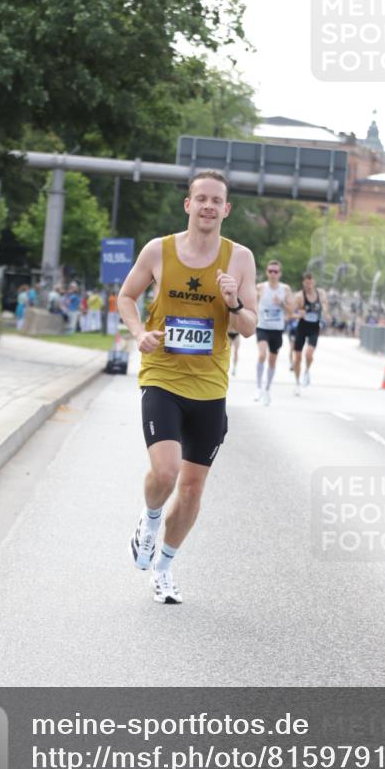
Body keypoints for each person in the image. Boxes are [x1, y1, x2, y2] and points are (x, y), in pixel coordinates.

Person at [118, 169, 257, 604]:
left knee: (193, 488)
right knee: (166, 472)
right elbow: (126, 297)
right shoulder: (158, 250)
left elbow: (250, 327)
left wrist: (234, 301)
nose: (209, 206)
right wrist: (138, 331)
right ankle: (150, 517)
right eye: (202, 199)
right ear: (188, 204)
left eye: (217, 201)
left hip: (211, 387)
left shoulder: (240, 259)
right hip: (162, 376)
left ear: (226, 210)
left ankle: (163, 569)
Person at [254, 259, 293, 405]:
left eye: (275, 271)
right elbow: (252, 303)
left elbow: (291, 310)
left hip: (277, 329)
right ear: (266, 272)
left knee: (272, 360)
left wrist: (281, 303)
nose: (272, 274)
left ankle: (267, 389)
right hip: (263, 327)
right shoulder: (260, 287)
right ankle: (258, 387)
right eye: (270, 271)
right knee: (262, 354)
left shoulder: (285, 289)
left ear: (280, 273)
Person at [292, 272, 329, 394]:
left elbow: (325, 309)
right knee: (297, 358)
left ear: (314, 282)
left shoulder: (321, 294)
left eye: (311, 283)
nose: (309, 286)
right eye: (306, 283)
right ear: (303, 283)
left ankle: (307, 371)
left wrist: (325, 314)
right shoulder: (299, 297)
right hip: (302, 327)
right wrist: (298, 314)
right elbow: (290, 314)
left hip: (314, 327)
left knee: (309, 354)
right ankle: (297, 382)